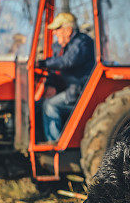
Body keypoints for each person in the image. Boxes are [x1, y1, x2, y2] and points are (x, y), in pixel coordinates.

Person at [36, 12, 95, 141]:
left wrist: (43, 63)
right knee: (38, 104)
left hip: (81, 92)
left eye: (57, 29)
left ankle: (55, 145)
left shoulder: (82, 43)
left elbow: (67, 61)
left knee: (50, 106)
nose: (54, 33)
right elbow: (57, 67)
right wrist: (51, 84)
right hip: (70, 89)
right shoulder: (61, 46)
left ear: (68, 30)